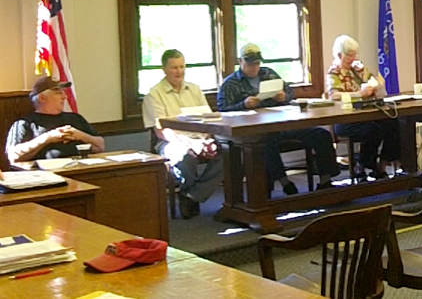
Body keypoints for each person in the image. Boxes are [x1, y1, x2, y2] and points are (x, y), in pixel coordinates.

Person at [217, 43, 339, 194]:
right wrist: (243, 105)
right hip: (256, 131)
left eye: (257, 63)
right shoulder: (230, 84)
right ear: (240, 61)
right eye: (250, 64)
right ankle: (285, 182)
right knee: (265, 143)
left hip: (282, 124)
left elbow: (289, 93)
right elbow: (223, 109)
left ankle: (325, 181)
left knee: (321, 135)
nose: (254, 67)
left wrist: (283, 97)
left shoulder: (269, 74)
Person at [142, 49, 224, 219]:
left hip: (201, 137)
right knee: (185, 156)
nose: (179, 71)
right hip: (170, 141)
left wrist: (206, 141)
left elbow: (208, 120)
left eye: (181, 67)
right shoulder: (154, 94)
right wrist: (190, 143)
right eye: (174, 67)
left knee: (229, 152)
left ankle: (191, 195)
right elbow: (161, 131)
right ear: (164, 69)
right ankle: (191, 195)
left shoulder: (195, 89)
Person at [327, 35, 401, 179]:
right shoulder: (334, 72)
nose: (353, 59)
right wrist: (359, 94)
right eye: (349, 56)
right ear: (339, 55)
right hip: (345, 120)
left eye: (354, 55)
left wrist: (375, 86)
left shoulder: (358, 68)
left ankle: (382, 165)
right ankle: (361, 166)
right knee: (373, 130)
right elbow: (333, 95)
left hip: (366, 114)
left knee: (393, 123)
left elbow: (372, 81)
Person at [6, 76, 105, 163]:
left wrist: (79, 135)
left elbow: (101, 146)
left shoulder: (76, 118)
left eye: (64, 92)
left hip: (81, 170)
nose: (65, 97)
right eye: (58, 93)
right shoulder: (24, 123)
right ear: (42, 98)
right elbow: (13, 156)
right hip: (44, 175)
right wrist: (48, 138)